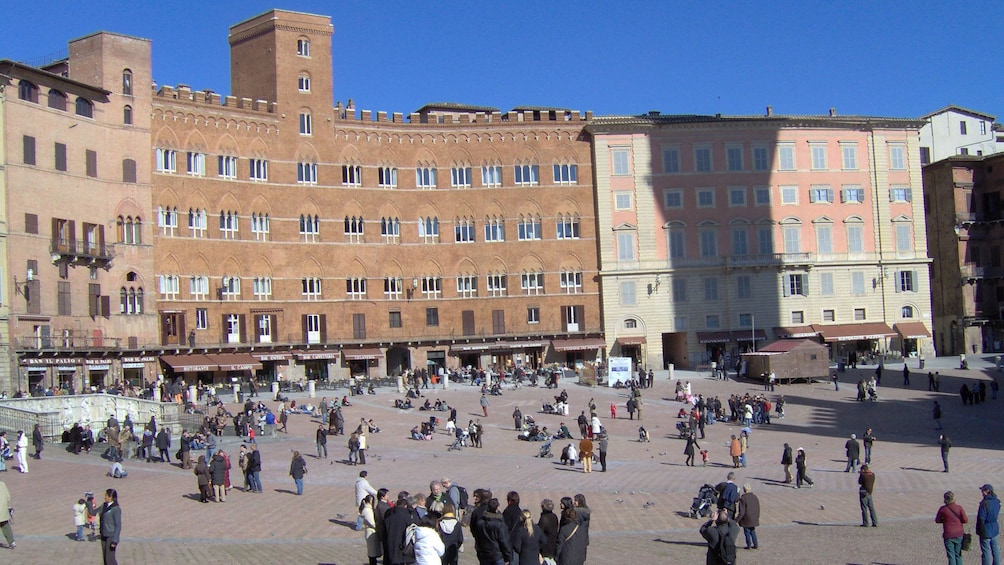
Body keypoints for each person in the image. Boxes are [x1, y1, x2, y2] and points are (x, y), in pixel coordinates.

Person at [936, 490, 968, 565]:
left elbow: (937, 520)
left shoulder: (943, 509)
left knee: (951, 556)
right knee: (958, 555)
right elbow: (965, 520)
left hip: (948, 534)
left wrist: (945, 520)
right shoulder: (959, 508)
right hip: (959, 534)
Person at [977, 484, 1001, 565]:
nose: (981, 493)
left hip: (985, 529)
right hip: (994, 528)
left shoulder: (984, 503)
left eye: (983, 491)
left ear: (987, 491)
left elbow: (981, 518)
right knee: (995, 549)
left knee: (986, 551)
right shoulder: (997, 502)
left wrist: (979, 529)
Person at [99, 488, 122, 565]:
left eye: (106, 495)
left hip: (111, 536)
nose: (104, 497)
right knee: (105, 559)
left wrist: (115, 540)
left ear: (111, 497)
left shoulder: (116, 509)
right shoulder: (104, 505)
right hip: (104, 534)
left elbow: (118, 525)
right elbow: (93, 512)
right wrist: (88, 502)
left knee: (110, 559)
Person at [736, 483, 760, 550]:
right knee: (752, 531)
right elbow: (758, 507)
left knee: (747, 532)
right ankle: (755, 544)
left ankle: (749, 545)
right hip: (753, 517)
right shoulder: (754, 497)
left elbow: (742, 512)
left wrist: (736, 520)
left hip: (746, 519)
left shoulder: (743, 499)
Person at [360, 494, 381, 565]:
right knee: (372, 553)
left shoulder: (367, 509)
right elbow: (372, 523)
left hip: (370, 531)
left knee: (372, 552)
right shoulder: (368, 510)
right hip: (371, 532)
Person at [538, 499, 559, 565]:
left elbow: (540, 532)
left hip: (545, 547)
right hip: (553, 544)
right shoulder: (554, 516)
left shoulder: (544, 518)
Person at [0, 481, 13, 549]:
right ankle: (11, 542)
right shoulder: (2, 484)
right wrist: (8, 506)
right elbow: (8, 496)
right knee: (5, 525)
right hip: (3, 509)